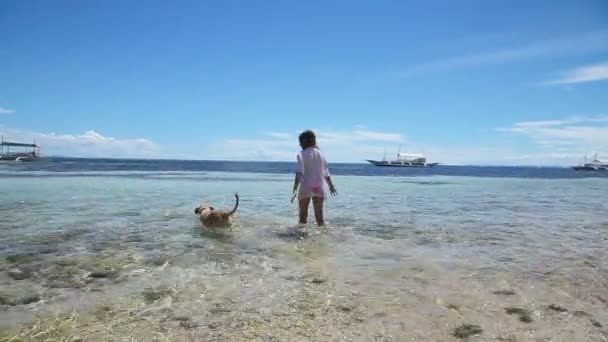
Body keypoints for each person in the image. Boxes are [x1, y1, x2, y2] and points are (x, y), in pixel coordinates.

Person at [292, 130, 337, 226]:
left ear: (304, 142)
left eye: (300, 142)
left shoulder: (301, 154)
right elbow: (326, 173)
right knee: (320, 218)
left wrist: (295, 188)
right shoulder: (321, 154)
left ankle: (301, 235)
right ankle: (322, 236)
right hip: (319, 187)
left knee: (303, 216)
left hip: (306, 186)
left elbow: (299, 172)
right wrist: (331, 186)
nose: (299, 145)